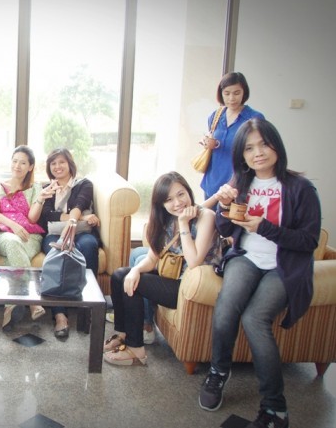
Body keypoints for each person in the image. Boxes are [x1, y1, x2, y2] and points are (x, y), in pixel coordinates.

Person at [199, 119, 321, 428]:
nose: (258, 153)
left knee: (255, 319)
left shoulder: (301, 188)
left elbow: (309, 241)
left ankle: (275, 408)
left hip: (284, 266)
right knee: (226, 306)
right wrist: (223, 206)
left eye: (264, 144)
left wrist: (265, 227)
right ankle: (218, 372)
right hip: (247, 258)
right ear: (241, 154)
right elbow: (225, 229)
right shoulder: (241, 183)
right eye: (249, 148)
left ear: (276, 145)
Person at [104, 171, 221, 366]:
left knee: (135, 285)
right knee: (120, 275)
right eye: (169, 199)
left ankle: (136, 350)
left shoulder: (205, 217)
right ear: (161, 204)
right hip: (171, 278)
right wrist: (135, 270)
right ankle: (123, 333)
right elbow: (152, 258)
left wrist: (183, 223)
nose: (177, 203)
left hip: (189, 286)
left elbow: (194, 261)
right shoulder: (165, 220)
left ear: (189, 192)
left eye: (181, 194)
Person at [38, 148, 101, 340]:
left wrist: (73, 220)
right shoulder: (47, 188)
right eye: (53, 163)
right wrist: (82, 217)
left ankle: (88, 307)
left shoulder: (84, 184)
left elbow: (80, 204)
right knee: (58, 252)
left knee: (88, 246)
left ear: (70, 164)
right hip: (54, 234)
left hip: (82, 233)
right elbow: (47, 215)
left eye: (61, 162)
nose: (57, 167)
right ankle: (60, 315)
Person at [0, 145, 51, 331]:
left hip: (30, 236)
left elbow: (32, 219)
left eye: (23, 163)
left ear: (30, 167)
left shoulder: (36, 188)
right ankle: (32, 301)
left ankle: (10, 307)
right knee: (13, 243)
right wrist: (14, 226)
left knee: (14, 255)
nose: (17, 166)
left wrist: (40, 199)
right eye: (15, 161)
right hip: (4, 234)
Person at [199, 72, 265, 207]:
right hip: (212, 181)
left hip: (237, 184)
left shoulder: (254, 118)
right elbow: (213, 139)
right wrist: (209, 143)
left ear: (244, 93)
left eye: (236, 93)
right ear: (221, 93)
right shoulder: (215, 116)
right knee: (208, 218)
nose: (231, 98)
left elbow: (259, 148)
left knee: (229, 219)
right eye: (227, 93)